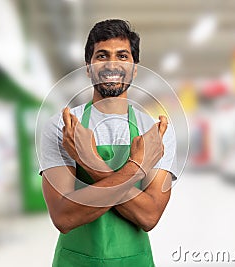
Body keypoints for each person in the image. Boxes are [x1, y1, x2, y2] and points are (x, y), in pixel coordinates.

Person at [39, 19, 180, 267]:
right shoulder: (63, 127)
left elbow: (149, 215)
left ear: (135, 68)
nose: (112, 64)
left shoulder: (156, 132)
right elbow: (64, 216)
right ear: (88, 67)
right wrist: (137, 168)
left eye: (122, 56)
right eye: (102, 55)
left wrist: (90, 162)